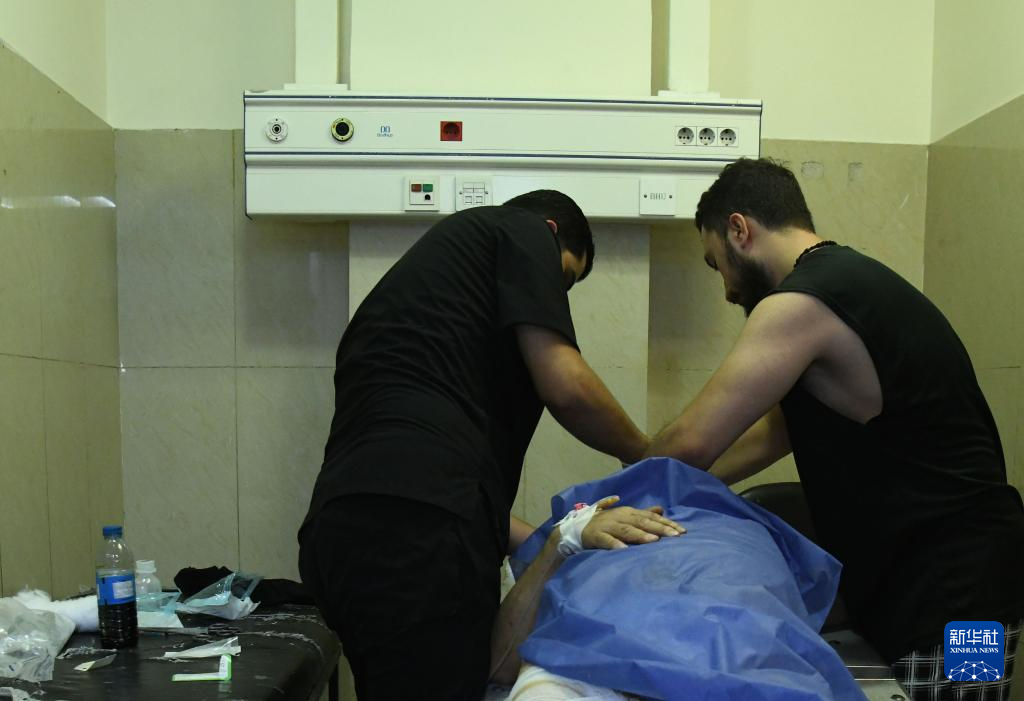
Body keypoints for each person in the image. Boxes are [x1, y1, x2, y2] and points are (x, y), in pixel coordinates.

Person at [645, 158, 1024, 700]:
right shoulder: (852, 283)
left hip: (963, 596)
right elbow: (768, 435)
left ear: (739, 230)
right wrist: (664, 493)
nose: (726, 288)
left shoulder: (802, 303)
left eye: (716, 264)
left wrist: (626, 484)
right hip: (946, 576)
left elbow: (690, 442)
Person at [297, 190, 658, 701]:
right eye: (563, 279)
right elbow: (567, 387)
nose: (554, 295)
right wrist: (648, 456)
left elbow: (430, 489)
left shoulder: (422, 310)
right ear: (552, 231)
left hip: (336, 536)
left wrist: (566, 535)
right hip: (416, 542)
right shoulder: (523, 230)